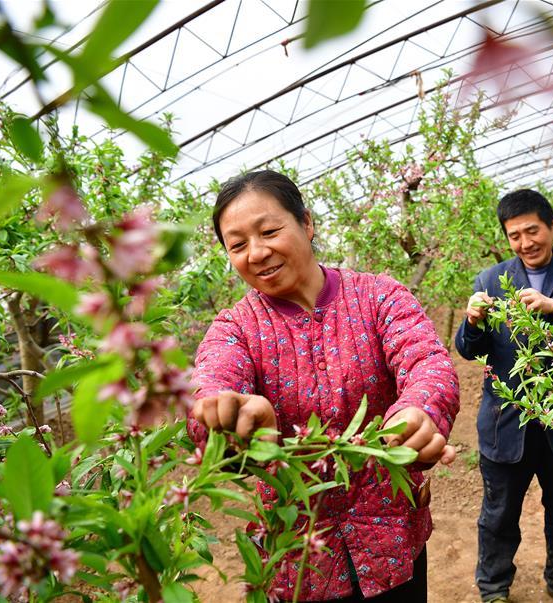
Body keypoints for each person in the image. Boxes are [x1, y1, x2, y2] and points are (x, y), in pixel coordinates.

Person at [188, 170, 459, 602]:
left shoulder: (378, 296)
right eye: (237, 245)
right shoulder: (234, 329)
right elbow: (211, 385)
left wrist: (419, 409)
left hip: (391, 540)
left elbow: (426, 361)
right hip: (301, 561)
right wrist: (229, 416)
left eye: (269, 232)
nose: (257, 253)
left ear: (307, 223)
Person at [455, 189, 553, 603]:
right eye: (515, 235)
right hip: (507, 422)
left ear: (552, 226)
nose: (526, 242)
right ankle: (493, 589)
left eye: (533, 231)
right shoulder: (490, 280)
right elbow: (468, 350)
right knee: (498, 515)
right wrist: (471, 322)